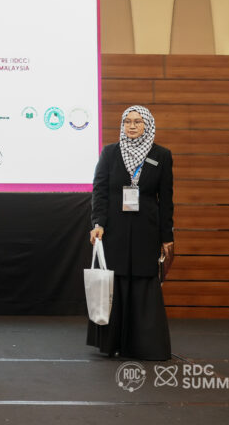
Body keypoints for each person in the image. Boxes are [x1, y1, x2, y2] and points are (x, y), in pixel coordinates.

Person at [88, 105, 174, 361]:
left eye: (138, 121)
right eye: (127, 121)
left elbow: (166, 199)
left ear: (148, 125)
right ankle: (112, 343)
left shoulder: (161, 155)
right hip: (114, 229)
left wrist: (166, 236)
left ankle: (144, 345)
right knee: (115, 280)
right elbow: (100, 191)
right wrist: (98, 223)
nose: (132, 126)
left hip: (147, 229)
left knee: (143, 281)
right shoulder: (110, 153)